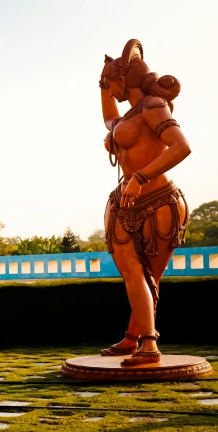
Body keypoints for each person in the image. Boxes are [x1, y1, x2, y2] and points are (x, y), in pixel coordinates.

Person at [99, 40, 191, 365]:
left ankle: (149, 345)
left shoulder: (153, 106)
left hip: (157, 199)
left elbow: (180, 147)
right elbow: (109, 119)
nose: (110, 90)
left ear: (125, 79)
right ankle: (131, 338)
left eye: (111, 83)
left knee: (139, 273)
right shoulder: (130, 114)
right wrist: (102, 84)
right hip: (129, 201)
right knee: (139, 275)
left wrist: (139, 178)